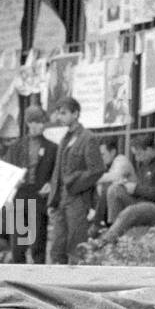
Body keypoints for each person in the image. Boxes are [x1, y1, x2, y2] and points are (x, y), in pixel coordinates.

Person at [46, 97, 104, 264]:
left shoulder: (88, 138)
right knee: (57, 245)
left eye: (64, 113)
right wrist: (53, 200)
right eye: (59, 113)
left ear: (75, 114)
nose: (60, 117)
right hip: (62, 198)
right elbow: (58, 171)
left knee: (76, 244)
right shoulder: (65, 138)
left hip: (78, 198)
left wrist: (75, 182)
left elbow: (97, 169)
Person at [3, 105, 58, 263]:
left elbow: (56, 173)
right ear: (27, 123)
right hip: (20, 193)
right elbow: (7, 170)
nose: (36, 126)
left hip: (38, 195)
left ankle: (37, 279)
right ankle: (18, 277)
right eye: (32, 122)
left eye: (40, 122)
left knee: (37, 243)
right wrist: (13, 180)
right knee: (18, 244)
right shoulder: (16, 147)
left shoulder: (52, 148)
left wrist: (50, 184)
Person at [107, 134, 155, 238]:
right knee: (115, 189)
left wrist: (136, 189)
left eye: (139, 154)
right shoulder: (144, 163)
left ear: (149, 150)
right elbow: (142, 187)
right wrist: (127, 185)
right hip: (143, 202)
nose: (137, 159)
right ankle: (114, 229)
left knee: (131, 211)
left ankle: (107, 240)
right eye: (135, 155)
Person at [92, 136, 135, 230]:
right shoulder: (108, 165)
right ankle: (97, 222)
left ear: (113, 152)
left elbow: (115, 176)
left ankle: (98, 224)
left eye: (102, 154)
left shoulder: (121, 160)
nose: (100, 158)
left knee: (108, 187)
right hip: (116, 203)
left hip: (131, 201)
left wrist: (93, 178)